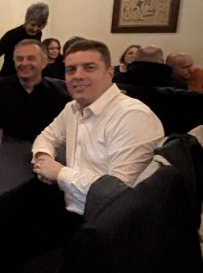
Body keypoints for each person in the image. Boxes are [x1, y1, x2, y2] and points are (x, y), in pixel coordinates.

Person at [32, 39, 164, 216]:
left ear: (109, 73)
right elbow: (47, 137)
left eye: (89, 68)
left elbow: (118, 194)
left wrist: (59, 173)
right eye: (71, 70)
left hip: (109, 223)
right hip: (70, 209)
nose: (77, 76)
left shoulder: (133, 117)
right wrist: (44, 159)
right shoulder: (72, 108)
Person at [0, 40, 70, 141]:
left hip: (47, 148)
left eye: (30, 58)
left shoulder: (60, 93)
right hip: (7, 147)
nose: (24, 63)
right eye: (19, 59)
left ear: (44, 62)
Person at [0, 2, 49, 79]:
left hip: (27, 78)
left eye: (39, 26)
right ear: (26, 20)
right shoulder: (12, 35)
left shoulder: (38, 34)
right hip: (8, 78)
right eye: (32, 25)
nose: (35, 29)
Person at [113, 44, 185, 88]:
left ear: (137, 59)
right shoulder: (177, 85)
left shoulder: (118, 80)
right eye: (130, 53)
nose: (132, 56)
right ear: (162, 61)